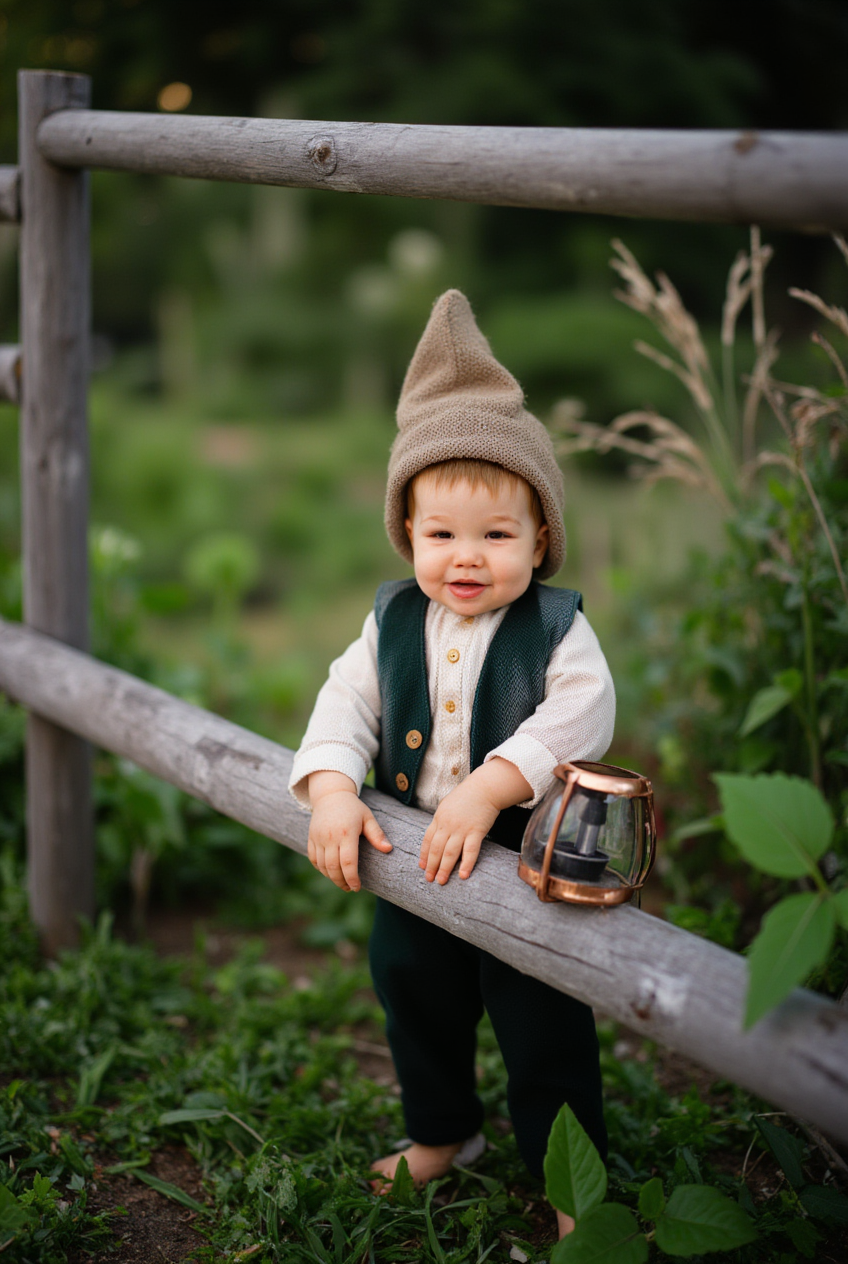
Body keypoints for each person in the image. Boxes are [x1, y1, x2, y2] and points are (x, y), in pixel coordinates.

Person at [288, 289, 615, 1239]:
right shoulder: (393, 620)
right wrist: (335, 788)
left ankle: (572, 1189)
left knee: (544, 1023)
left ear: (542, 537)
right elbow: (347, 702)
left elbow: (584, 715)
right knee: (415, 1000)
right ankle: (443, 1133)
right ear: (408, 534)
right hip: (410, 862)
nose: (465, 558)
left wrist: (492, 784)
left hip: (525, 866)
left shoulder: (557, 628)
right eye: (441, 535)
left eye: (496, 535)